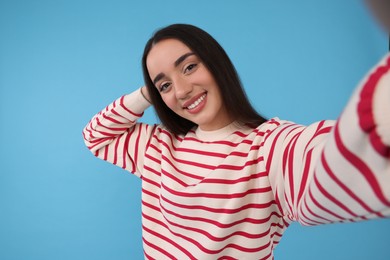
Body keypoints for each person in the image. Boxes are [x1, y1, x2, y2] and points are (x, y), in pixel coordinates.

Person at [82, 3, 390, 260]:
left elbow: (329, 161)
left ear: (216, 63)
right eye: (165, 84)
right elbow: (96, 136)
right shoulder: (157, 147)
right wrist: (147, 93)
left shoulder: (267, 147)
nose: (183, 90)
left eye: (189, 67)